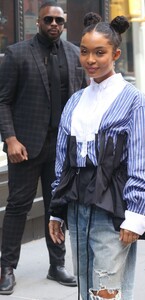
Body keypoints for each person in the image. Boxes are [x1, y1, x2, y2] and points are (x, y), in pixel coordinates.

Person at [48, 12, 145, 300]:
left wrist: (135, 216)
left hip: (114, 207)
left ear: (116, 54)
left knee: (106, 289)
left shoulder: (135, 102)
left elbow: (143, 161)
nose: (90, 60)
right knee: (86, 282)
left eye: (100, 52)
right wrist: (57, 210)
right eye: (84, 52)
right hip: (77, 205)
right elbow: (63, 161)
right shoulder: (75, 101)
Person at [0, 0, 86, 295]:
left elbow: (83, 101)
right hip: (25, 146)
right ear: (38, 21)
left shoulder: (76, 55)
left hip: (61, 147)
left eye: (58, 21)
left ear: (64, 24)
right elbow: (3, 101)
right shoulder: (17, 54)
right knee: (18, 207)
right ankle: (6, 268)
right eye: (48, 19)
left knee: (57, 208)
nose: (53, 25)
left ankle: (56, 265)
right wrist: (10, 139)